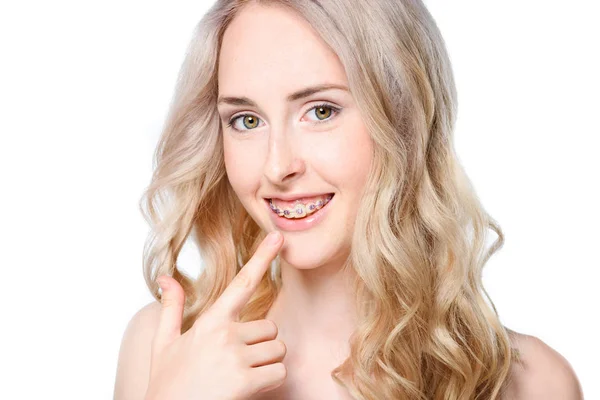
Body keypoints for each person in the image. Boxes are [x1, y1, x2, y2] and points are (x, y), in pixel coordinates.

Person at [114, 0, 583, 399]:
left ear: (402, 121)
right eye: (246, 121)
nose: (277, 167)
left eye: (321, 111)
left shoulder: (530, 383)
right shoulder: (165, 346)